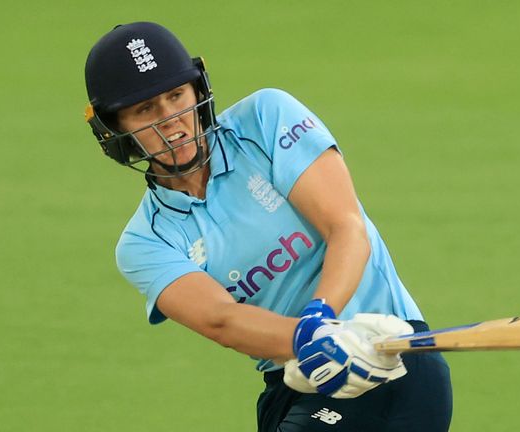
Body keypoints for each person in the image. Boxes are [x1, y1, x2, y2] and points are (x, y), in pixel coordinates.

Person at [84, 22, 452, 431]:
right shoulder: (145, 243)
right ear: (116, 130)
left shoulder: (265, 118)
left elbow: (345, 227)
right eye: (146, 109)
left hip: (389, 357)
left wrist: (322, 318)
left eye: (176, 95)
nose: (172, 119)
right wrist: (307, 339)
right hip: (293, 380)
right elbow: (220, 319)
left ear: (198, 91)